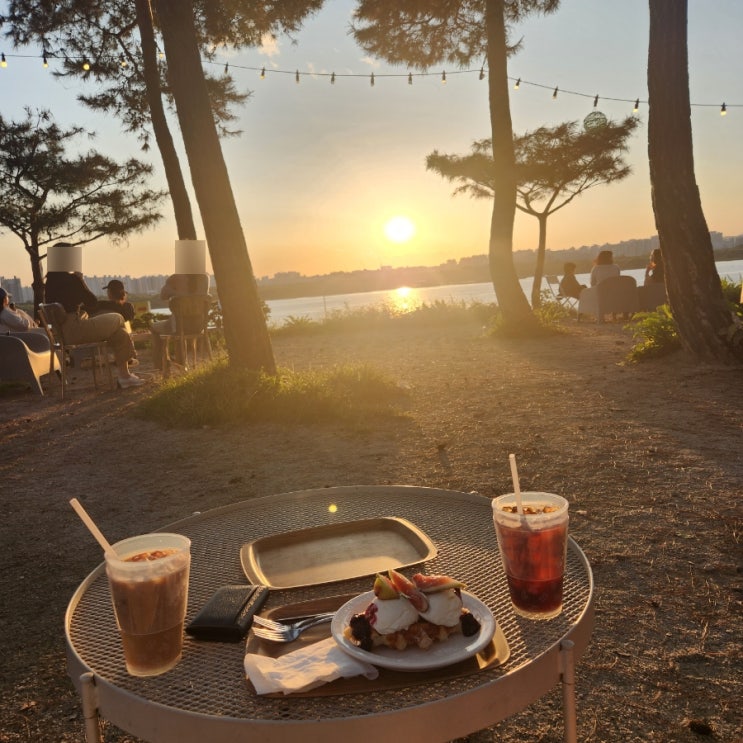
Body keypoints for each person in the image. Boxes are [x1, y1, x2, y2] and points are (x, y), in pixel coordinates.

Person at [44, 247, 143, 388]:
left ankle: (125, 377)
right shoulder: (71, 279)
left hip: (63, 334)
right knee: (118, 317)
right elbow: (92, 301)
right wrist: (80, 280)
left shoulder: (50, 283)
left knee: (120, 334)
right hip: (76, 330)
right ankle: (131, 359)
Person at [149, 273, 210, 369]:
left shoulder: (176, 278)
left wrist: (175, 292)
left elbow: (163, 296)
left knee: (154, 326)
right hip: (199, 326)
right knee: (178, 324)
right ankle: (180, 361)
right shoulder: (205, 277)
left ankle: (160, 364)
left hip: (179, 326)